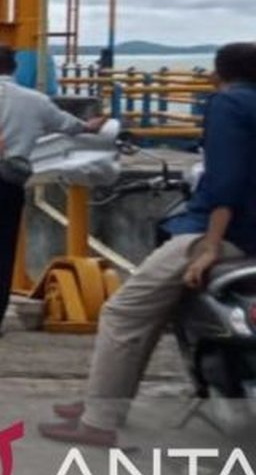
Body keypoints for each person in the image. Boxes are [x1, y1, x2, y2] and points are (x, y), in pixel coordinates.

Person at [39, 41, 256, 447]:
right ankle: (102, 400)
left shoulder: (228, 104)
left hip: (219, 234)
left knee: (123, 313)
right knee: (156, 312)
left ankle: (100, 421)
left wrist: (210, 244)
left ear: (218, 74)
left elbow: (226, 181)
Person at [0, 44, 105, 338]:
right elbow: (68, 125)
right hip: (9, 183)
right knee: (1, 254)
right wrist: (90, 127)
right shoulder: (36, 101)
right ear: (14, 68)